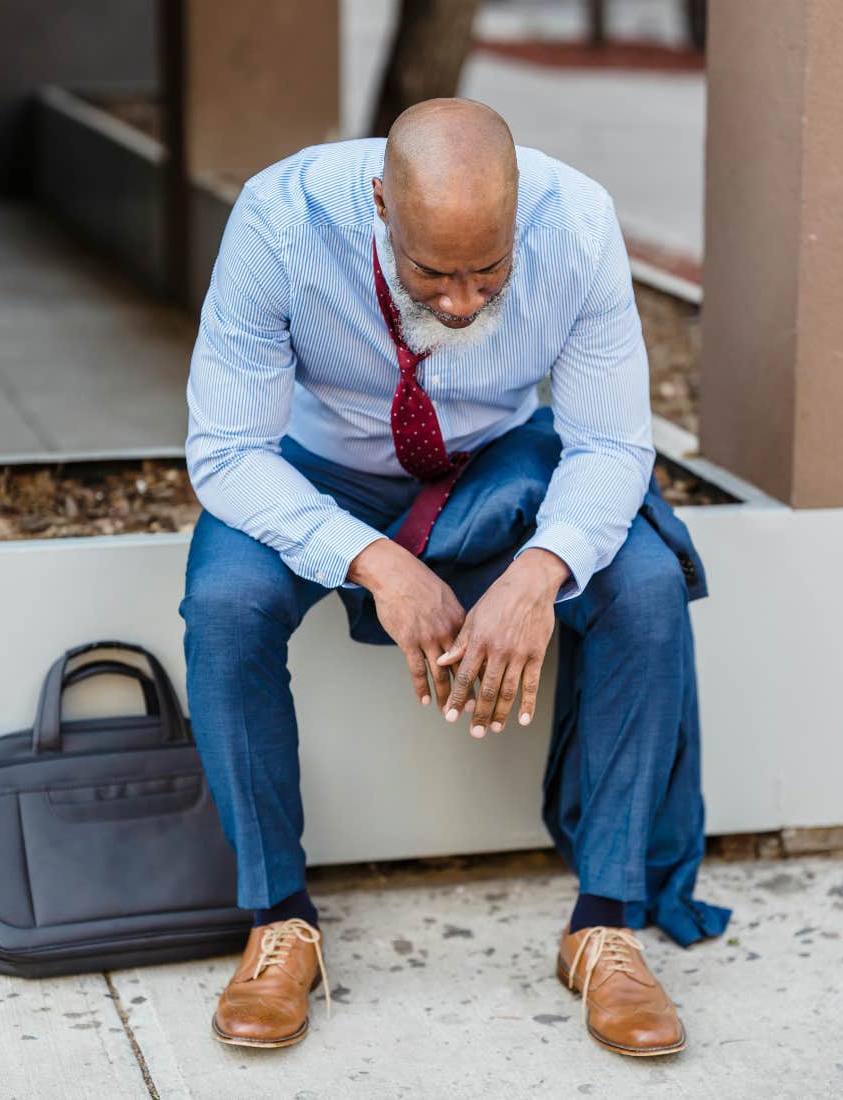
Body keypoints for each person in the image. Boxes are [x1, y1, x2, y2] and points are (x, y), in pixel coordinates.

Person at [179, 98, 730, 1057]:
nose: (464, 301)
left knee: (641, 585)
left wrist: (539, 571)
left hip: (495, 463)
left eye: (491, 271)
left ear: (520, 216)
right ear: (383, 208)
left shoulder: (581, 226)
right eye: (433, 272)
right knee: (226, 604)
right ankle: (278, 919)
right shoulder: (278, 221)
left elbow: (608, 444)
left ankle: (607, 923)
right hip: (318, 471)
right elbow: (227, 451)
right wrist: (376, 561)